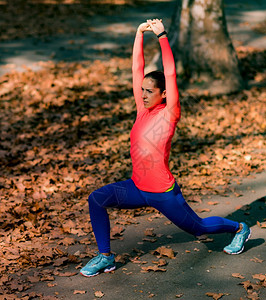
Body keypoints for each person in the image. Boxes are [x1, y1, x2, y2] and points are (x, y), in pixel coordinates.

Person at [80, 19, 251, 277]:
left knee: (199, 228)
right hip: (137, 188)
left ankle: (239, 228)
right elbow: (137, 68)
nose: (144, 95)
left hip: (163, 193)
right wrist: (139, 33)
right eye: (142, 91)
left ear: (164, 94)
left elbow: (170, 74)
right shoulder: (142, 110)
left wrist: (162, 37)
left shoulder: (170, 114)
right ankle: (105, 256)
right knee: (97, 199)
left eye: (150, 91)